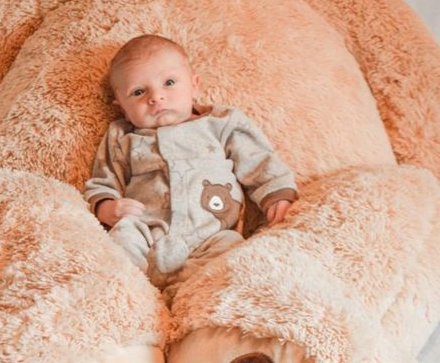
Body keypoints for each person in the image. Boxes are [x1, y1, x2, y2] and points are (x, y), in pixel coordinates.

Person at [84, 35, 298, 297]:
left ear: (194, 86)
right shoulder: (122, 136)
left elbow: (258, 160)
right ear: (122, 107)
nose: (156, 97)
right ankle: (125, 304)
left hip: (211, 236)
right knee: (117, 245)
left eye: (169, 83)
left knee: (233, 259)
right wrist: (107, 209)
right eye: (138, 92)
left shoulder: (221, 123)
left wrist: (276, 193)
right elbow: (104, 181)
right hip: (146, 234)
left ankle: (203, 314)